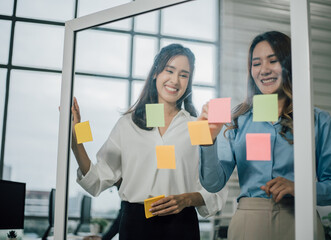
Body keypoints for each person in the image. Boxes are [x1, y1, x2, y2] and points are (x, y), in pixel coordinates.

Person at [197, 31, 331, 240]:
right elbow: (213, 184)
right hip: (249, 224)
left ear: (289, 65)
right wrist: (208, 140)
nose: (264, 70)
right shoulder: (236, 121)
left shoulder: (318, 120)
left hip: (299, 221)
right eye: (256, 63)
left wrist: (300, 188)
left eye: (273, 61)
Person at [71, 43, 227, 240]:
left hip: (181, 227)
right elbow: (98, 179)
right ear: (155, 74)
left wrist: (187, 199)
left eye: (183, 74)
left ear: (189, 82)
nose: (175, 80)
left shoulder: (197, 127)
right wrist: (77, 143)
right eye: (169, 70)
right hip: (135, 226)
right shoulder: (127, 124)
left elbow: (216, 190)